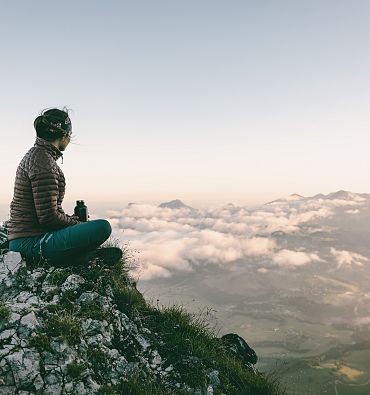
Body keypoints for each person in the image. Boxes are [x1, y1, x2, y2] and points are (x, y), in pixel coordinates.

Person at [7, 108, 122, 266]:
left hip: (26, 237)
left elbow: (45, 211)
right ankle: (74, 260)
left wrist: (71, 221)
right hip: (30, 243)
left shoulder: (38, 156)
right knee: (102, 227)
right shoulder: (43, 163)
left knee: (87, 227)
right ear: (64, 136)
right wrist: (78, 225)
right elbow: (48, 218)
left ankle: (75, 256)